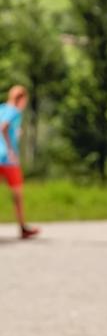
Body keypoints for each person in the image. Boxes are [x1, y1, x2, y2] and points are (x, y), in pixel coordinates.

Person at [0, 85, 39, 239]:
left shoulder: (2, 108)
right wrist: (10, 148)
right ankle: (23, 227)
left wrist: (15, 132)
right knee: (17, 194)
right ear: (21, 99)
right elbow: (4, 127)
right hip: (8, 159)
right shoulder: (15, 112)